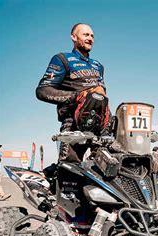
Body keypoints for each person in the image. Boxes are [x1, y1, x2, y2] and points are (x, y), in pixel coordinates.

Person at [36, 23, 107, 162]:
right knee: (69, 169)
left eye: (92, 36)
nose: (90, 38)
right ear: (73, 37)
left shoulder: (98, 66)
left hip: (100, 126)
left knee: (105, 170)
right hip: (73, 123)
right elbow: (42, 90)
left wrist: (100, 91)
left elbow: (101, 92)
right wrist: (77, 97)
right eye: (85, 34)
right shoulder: (62, 59)